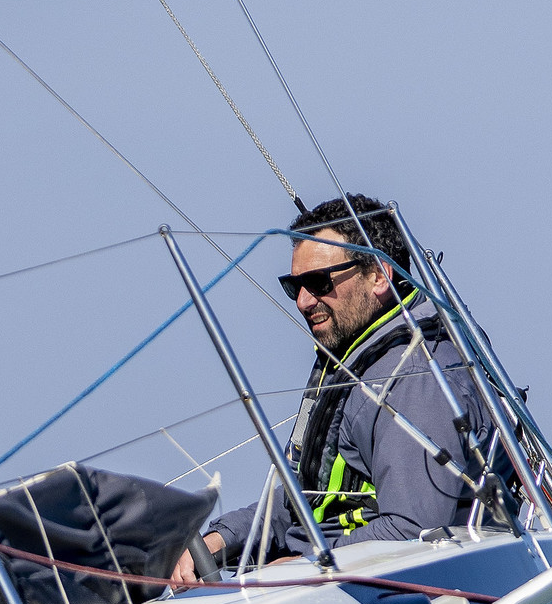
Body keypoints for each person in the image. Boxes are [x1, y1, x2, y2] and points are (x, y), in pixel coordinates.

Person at [172, 194, 497, 580]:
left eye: (318, 282)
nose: (304, 301)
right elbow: (310, 502)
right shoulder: (349, 362)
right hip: (333, 580)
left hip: (393, 597)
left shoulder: (413, 378)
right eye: (295, 286)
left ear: (378, 275)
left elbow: (414, 531)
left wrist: (304, 567)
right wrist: (222, 540)